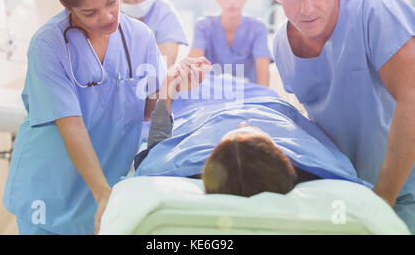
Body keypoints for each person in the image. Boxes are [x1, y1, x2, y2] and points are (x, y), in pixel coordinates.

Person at [2, 0, 209, 235]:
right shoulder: (49, 44)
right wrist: (102, 194)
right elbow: (70, 125)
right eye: (90, 12)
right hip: (51, 187)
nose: (107, 16)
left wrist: (173, 87)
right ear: (68, 8)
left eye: (111, 1)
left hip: (109, 185)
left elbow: (151, 111)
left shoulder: (141, 37)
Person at [267, 0, 415, 233]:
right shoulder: (282, 44)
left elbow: (412, 97)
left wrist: (382, 200)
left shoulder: (373, 10)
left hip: (403, 191)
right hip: (347, 192)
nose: (307, 9)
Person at [134, 75, 371, 194]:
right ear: (280, 154)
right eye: (249, 132)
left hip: (201, 108)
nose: (242, 124)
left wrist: (167, 91)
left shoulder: (170, 169)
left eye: (231, 135)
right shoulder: (320, 169)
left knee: (210, 82)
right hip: (265, 101)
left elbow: (157, 149)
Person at [189, 0, 273, 86]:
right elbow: (194, 66)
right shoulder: (203, 26)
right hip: (211, 93)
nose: (232, 1)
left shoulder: (258, 28)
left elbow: (263, 72)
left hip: (250, 95)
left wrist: (263, 101)